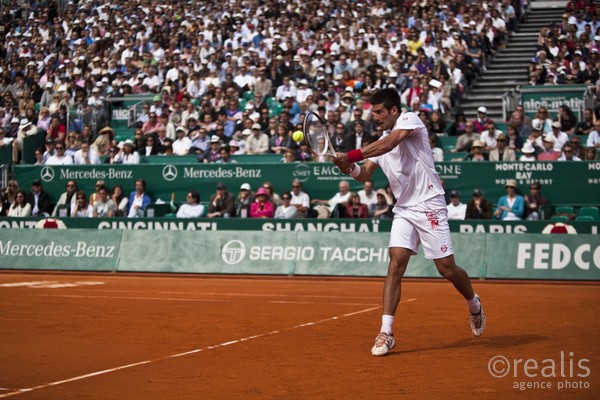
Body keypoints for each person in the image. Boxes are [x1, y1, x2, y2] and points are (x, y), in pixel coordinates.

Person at [333, 88, 485, 356]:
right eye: (374, 112)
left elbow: (390, 144)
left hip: (429, 204)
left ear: (394, 110)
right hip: (404, 208)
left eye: (380, 111)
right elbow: (365, 175)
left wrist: (351, 155)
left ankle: (474, 304)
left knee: (447, 269)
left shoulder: (410, 120)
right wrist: (348, 167)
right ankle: (386, 332)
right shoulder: (380, 141)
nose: (376, 116)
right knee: (395, 264)